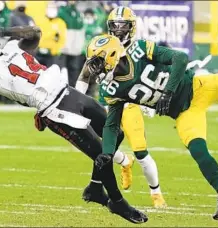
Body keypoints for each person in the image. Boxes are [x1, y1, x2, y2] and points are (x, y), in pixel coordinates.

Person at [0, 12, 147, 224]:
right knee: (101, 153)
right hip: (53, 109)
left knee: (115, 133)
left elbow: (35, 34)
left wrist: (1, 30)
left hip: (67, 92)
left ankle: (95, 187)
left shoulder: (8, 48)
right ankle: (117, 202)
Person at [85, 34, 218, 220]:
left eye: (97, 62)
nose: (96, 69)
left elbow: (180, 58)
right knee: (198, 149)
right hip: (184, 113)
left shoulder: (139, 50)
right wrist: (107, 153)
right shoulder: (112, 88)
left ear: (112, 55)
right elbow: (111, 124)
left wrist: (168, 93)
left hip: (199, 87)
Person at [76, 6, 166, 208]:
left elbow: (158, 71)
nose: (118, 30)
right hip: (108, 103)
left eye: (122, 25)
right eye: (114, 25)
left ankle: (156, 193)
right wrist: (77, 101)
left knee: (141, 151)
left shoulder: (140, 47)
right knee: (98, 148)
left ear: (131, 27)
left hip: (132, 104)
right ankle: (125, 161)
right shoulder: (103, 45)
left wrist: (152, 99)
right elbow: (84, 74)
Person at [58, 0, 85, 87]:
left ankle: (72, 91)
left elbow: (81, 32)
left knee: (74, 72)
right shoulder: (62, 11)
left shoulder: (78, 13)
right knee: (60, 71)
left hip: (75, 50)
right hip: (64, 49)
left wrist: (79, 47)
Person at [36, 1, 66, 68]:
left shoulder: (60, 23)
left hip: (52, 55)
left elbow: (62, 39)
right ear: (46, 9)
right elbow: (36, 35)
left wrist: (55, 51)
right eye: (49, 7)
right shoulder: (40, 21)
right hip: (38, 53)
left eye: (53, 8)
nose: (51, 10)